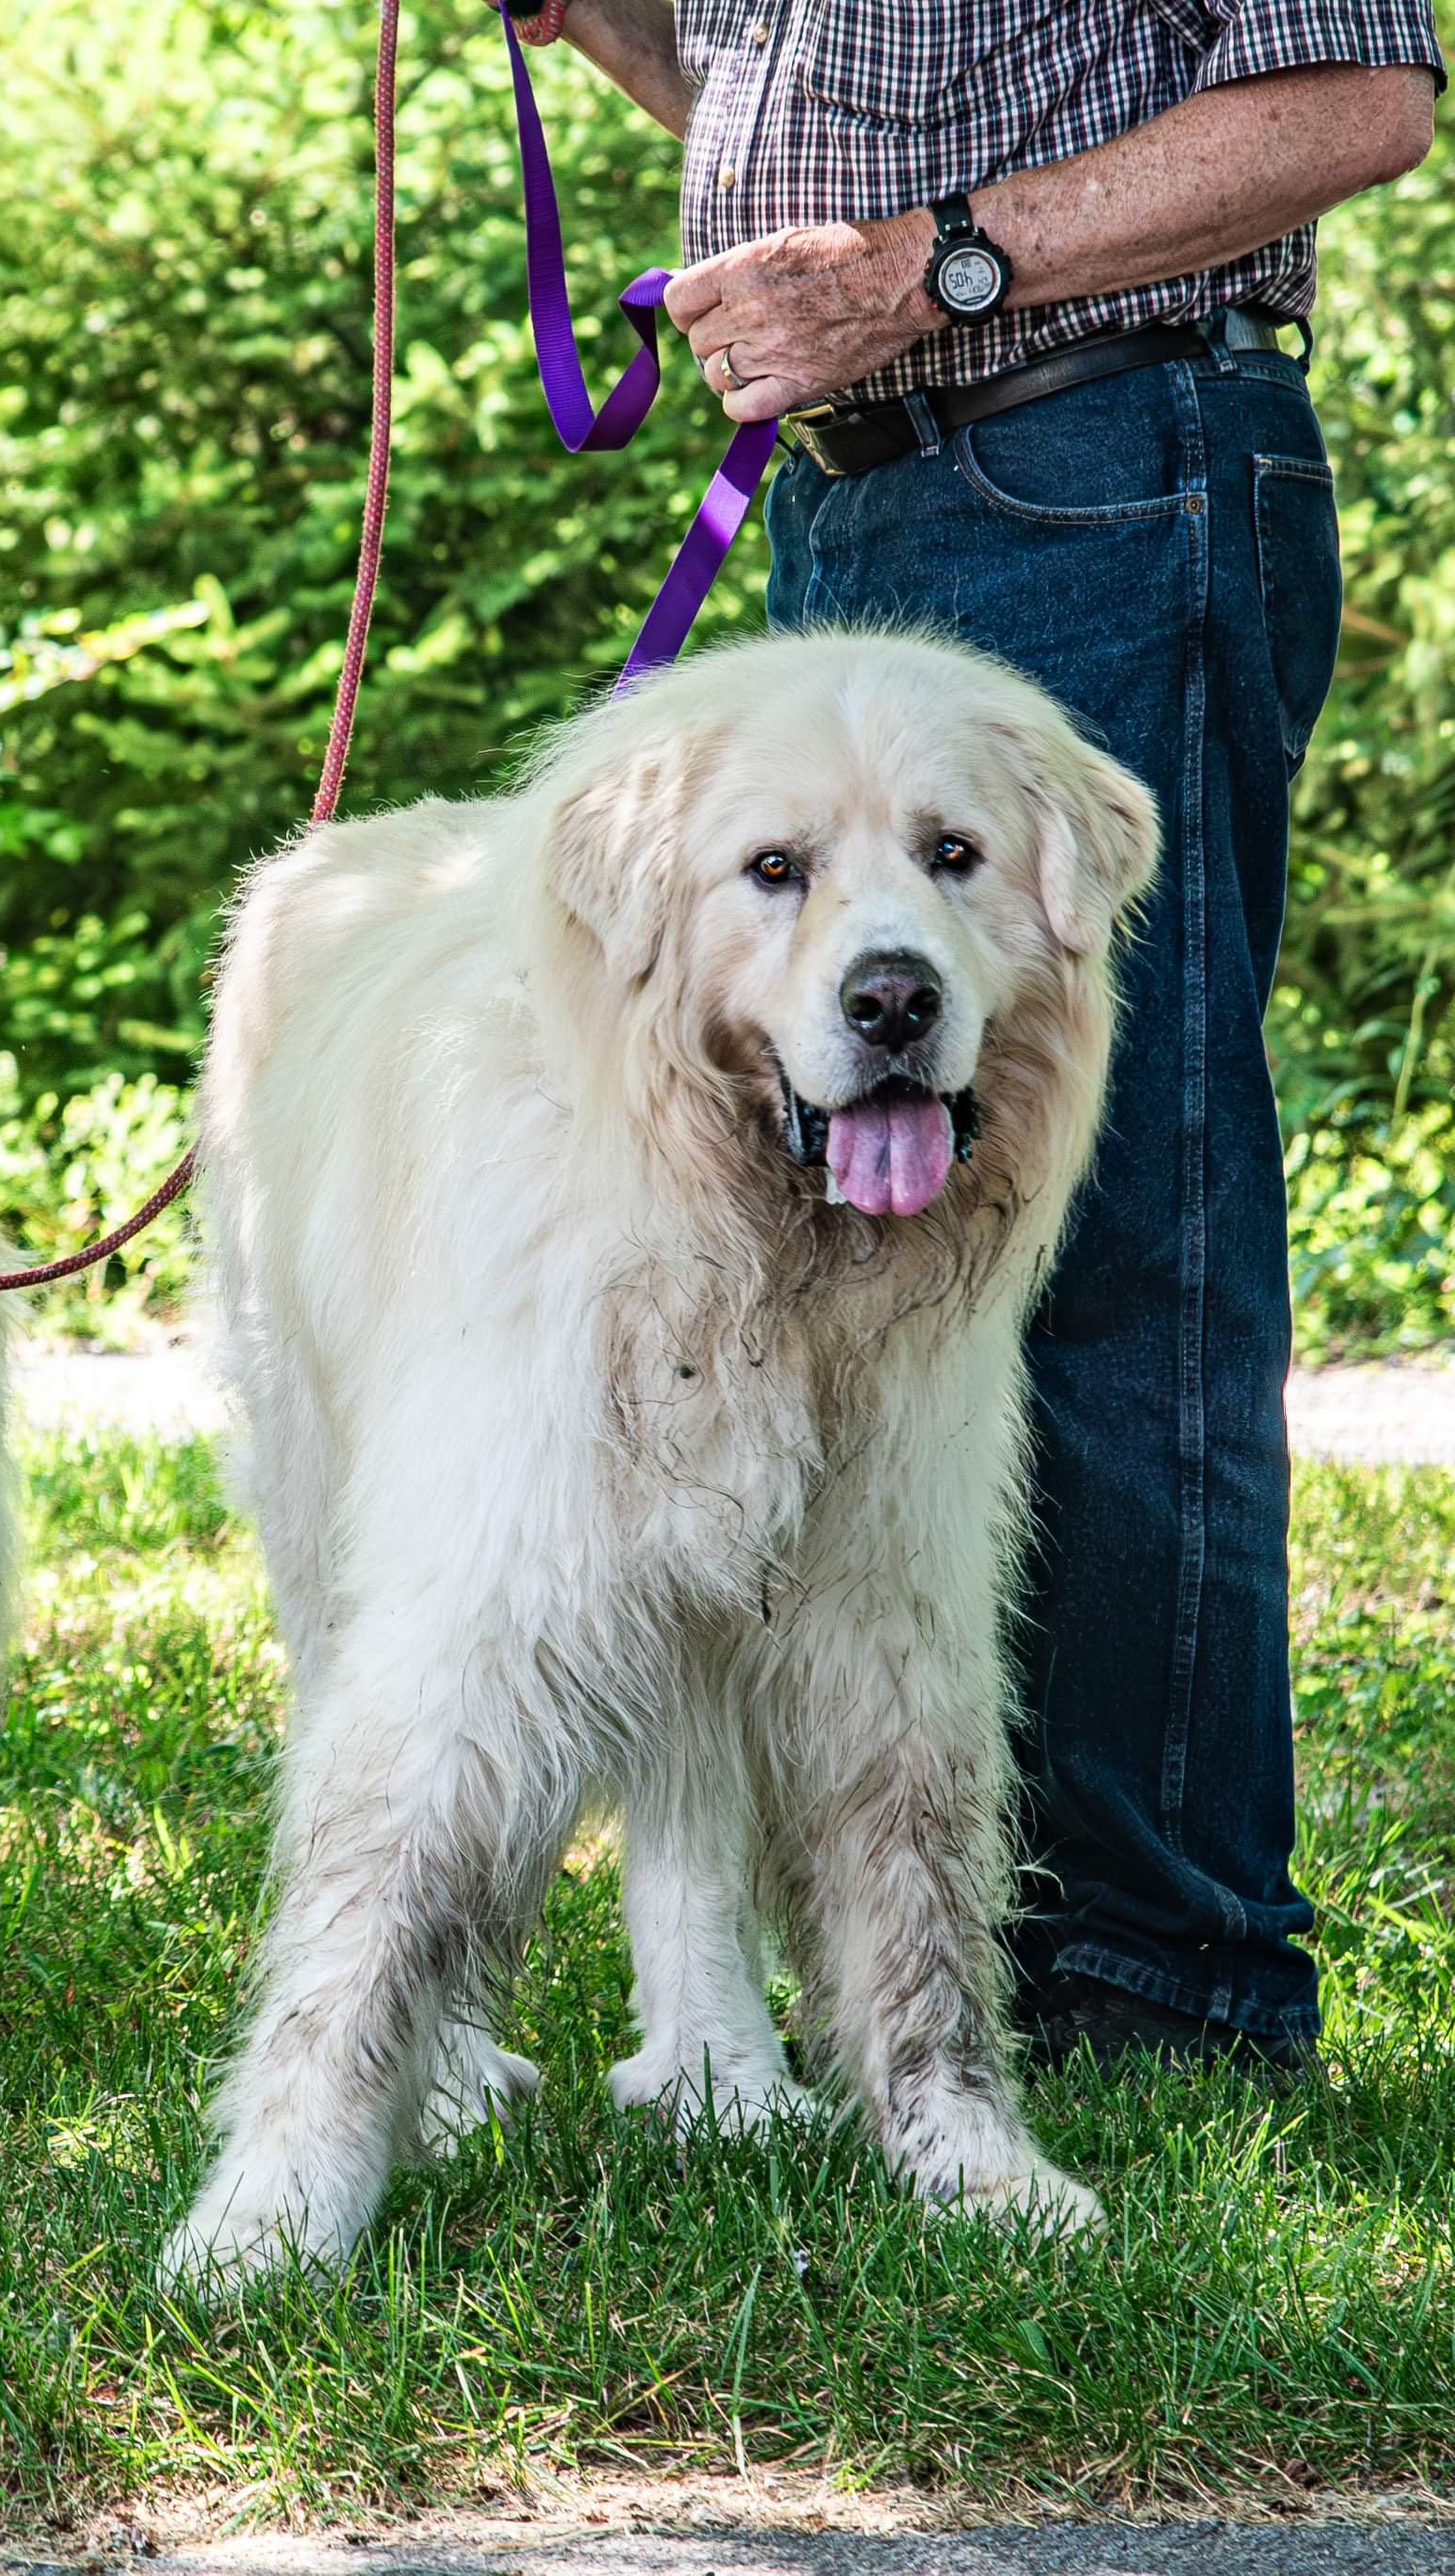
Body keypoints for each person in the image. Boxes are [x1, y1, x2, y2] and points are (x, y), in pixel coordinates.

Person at [522, 0, 1442, 2067]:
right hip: (858, 493)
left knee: (1121, 1241)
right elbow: (860, 135)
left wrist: (924, 269)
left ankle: (1167, 1980)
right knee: (863, 1264)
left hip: (1097, 469)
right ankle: (921, 1931)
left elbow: (1360, 94)